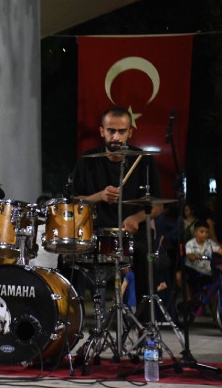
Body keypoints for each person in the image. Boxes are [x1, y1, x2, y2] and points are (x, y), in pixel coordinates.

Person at [71, 107, 163, 312]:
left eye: (122, 131)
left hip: (133, 234)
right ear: (101, 131)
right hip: (95, 233)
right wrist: (98, 196)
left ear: (130, 132)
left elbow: (158, 205)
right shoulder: (87, 160)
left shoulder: (144, 160)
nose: (116, 137)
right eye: (111, 131)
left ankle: (144, 319)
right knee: (68, 257)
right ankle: (71, 317)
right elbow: (73, 200)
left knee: (146, 256)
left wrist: (137, 218)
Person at [180, 220, 222, 303]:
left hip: (206, 272)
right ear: (195, 232)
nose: (205, 234)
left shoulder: (210, 243)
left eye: (207, 232)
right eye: (202, 232)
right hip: (193, 271)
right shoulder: (190, 244)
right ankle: (189, 300)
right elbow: (191, 256)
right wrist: (204, 257)